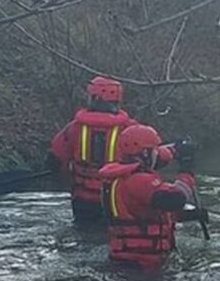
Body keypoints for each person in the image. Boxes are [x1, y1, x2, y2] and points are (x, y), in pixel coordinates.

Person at [47, 76, 173, 221]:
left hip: (83, 200)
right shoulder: (130, 129)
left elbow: (54, 161)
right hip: (114, 199)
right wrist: (172, 151)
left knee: (83, 230)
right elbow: (157, 158)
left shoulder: (74, 128)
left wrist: (69, 177)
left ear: (95, 98)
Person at [98, 124, 203, 269]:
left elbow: (145, 214)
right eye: (154, 150)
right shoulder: (138, 181)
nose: (157, 154)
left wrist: (188, 215)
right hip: (143, 265)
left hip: (126, 258)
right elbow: (175, 199)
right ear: (145, 153)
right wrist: (186, 172)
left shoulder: (120, 175)